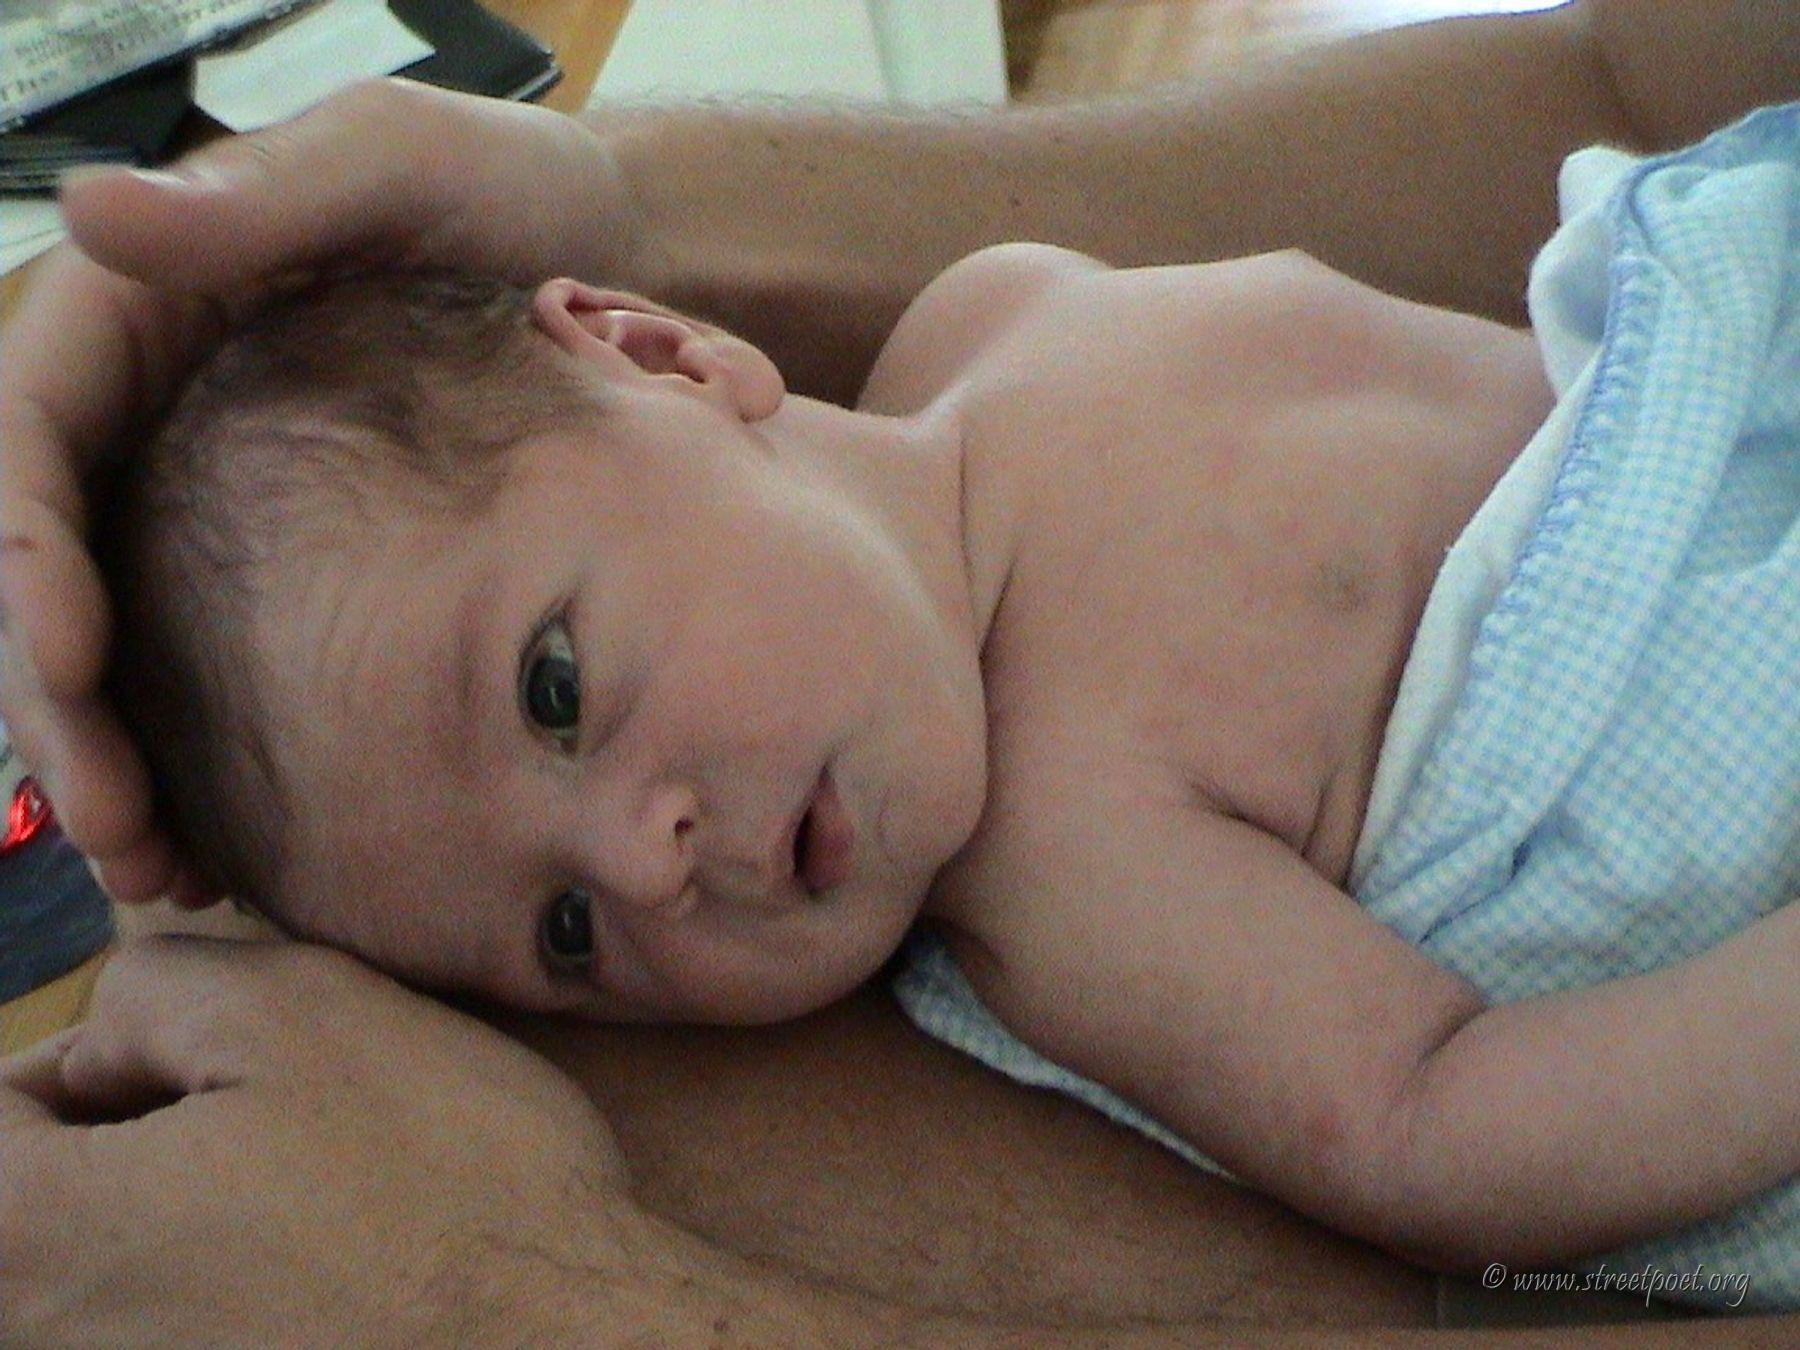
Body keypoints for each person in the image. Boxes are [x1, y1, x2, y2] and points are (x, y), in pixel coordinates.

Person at [3, 1, 1798, 1342]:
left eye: (553, 689)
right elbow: (1439, 1126)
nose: (640, 861)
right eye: (564, 936)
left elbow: (1630, 111)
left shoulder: (994, 302)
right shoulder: (1069, 872)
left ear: (660, 349)